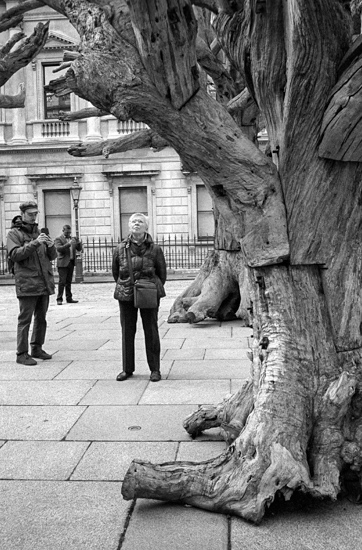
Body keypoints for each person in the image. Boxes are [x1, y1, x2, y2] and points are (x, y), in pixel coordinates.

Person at [112, 213, 167, 382]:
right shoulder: (120, 248)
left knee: (151, 331)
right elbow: (116, 273)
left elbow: (162, 274)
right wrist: (128, 284)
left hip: (148, 292)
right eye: (134, 221)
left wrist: (150, 286)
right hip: (126, 293)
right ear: (129, 226)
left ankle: (155, 369)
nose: (137, 224)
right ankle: (127, 368)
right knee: (127, 331)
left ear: (146, 227)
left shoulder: (155, 249)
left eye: (140, 222)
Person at [6, 201, 57, 366]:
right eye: (30, 214)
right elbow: (15, 255)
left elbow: (52, 256)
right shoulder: (14, 234)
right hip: (27, 282)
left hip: (43, 281)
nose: (34, 217)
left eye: (36, 214)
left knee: (41, 318)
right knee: (25, 319)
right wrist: (35, 243)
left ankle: (37, 347)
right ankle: (21, 353)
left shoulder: (40, 232)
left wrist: (50, 246)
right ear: (23, 214)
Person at [54, 224, 82, 305]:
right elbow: (59, 249)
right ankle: (59, 298)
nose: (69, 234)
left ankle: (69, 298)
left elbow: (79, 249)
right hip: (62, 263)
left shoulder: (72, 239)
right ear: (63, 231)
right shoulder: (58, 239)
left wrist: (78, 242)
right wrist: (68, 244)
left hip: (71, 262)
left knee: (69, 281)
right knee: (62, 282)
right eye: (67, 232)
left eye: (69, 232)